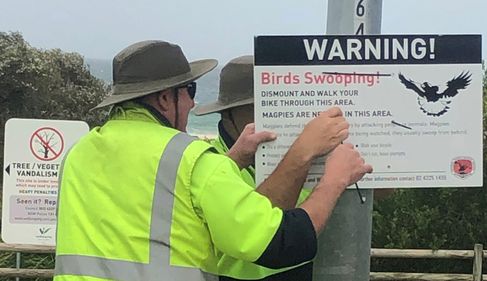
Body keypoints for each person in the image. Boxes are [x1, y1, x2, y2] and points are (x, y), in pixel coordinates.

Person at [54, 40, 372, 281]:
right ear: (165, 98)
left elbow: (155, 206)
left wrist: (230, 161)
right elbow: (280, 242)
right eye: (189, 90)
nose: (193, 102)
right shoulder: (190, 158)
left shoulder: (79, 153)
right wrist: (334, 181)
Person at [194, 55, 313, 280]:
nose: (272, 117)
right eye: (258, 108)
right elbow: (258, 223)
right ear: (227, 114)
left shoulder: (295, 153)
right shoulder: (211, 165)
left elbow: (382, 193)